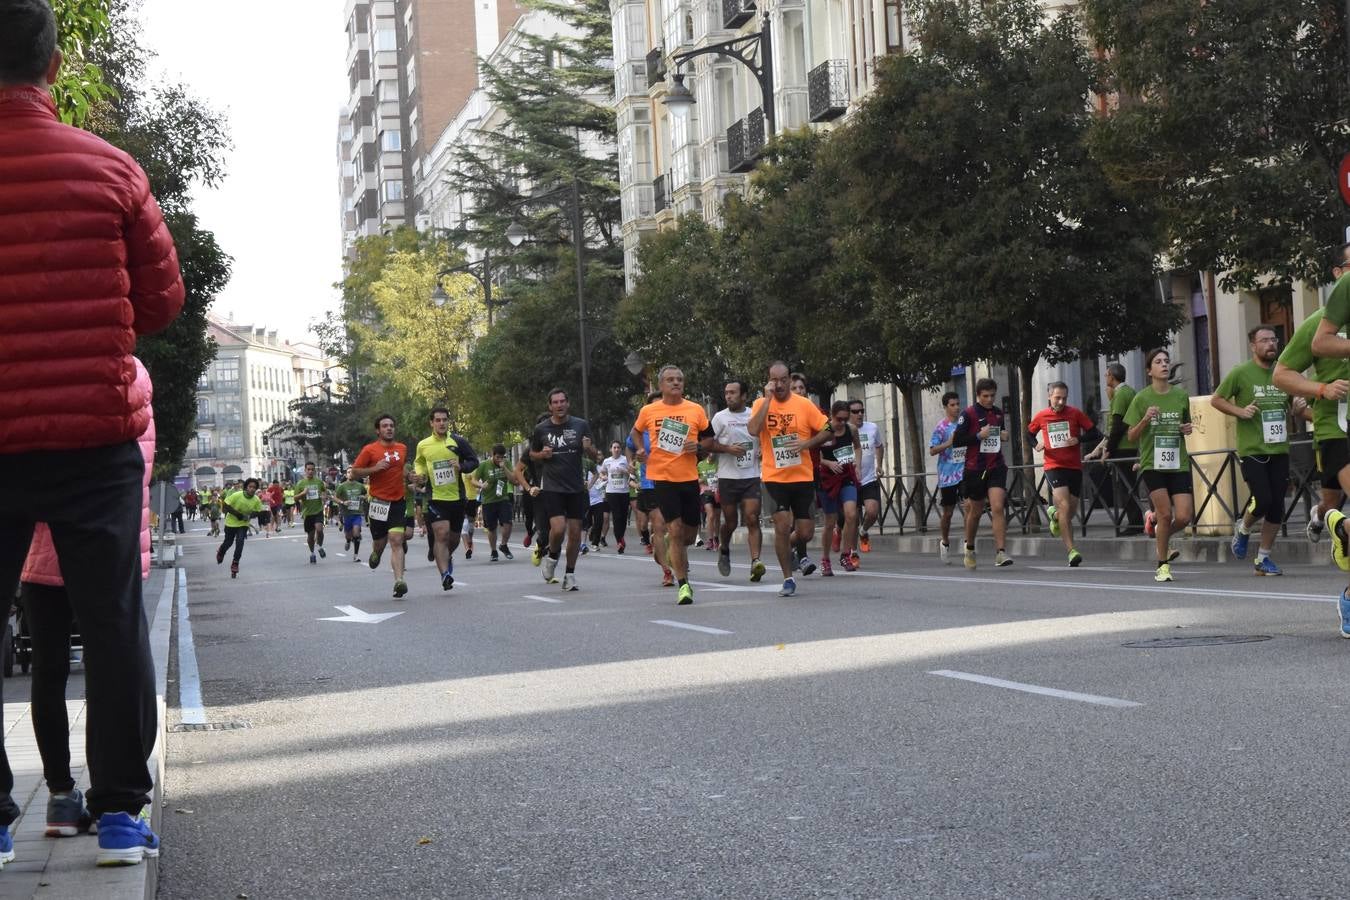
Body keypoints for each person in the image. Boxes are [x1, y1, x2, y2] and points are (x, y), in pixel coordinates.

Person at [0, 0, 185, 866]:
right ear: (55, 66)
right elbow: (162, 302)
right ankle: (117, 814)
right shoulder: (112, 169)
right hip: (94, 436)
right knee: (112, 623)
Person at [18, 356, 154, 840]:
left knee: (48, 671)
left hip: (36, 555)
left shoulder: (22, 374)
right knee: (117, 659)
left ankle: (59, 796)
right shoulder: (127, 375)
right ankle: (118, 807)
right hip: (107, 546)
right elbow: (135, 472)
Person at [1212, 326, 1300, 575]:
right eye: (1264, 341)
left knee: (1276, 507)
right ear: (1253, 346)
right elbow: (1216, 399)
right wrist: (1240, 411)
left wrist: (1299, 408)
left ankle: (1263, 558)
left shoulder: (1284, 374)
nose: (1271, 344)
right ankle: (1243, 528)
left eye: (1274, 339)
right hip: (1253, 449)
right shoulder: (1241, 373)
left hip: (1279, 448)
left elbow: (1296, 407)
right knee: (1263, 498)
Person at [1272, 273, 1350, 549]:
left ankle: (1326, 518)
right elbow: (1281, 375)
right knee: (1335, 500)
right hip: (1336, 424)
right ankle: (1336, 523)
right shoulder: (1318, 324)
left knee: (1330, 500)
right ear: (1339, 276)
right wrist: (1321, 389)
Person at [748, 361, 835, 597]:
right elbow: (754, 430)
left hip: (802, 476)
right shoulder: (759, 404)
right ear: (768, 381)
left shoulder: (804, 405)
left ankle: (785, 547)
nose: (778, 384)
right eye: (773, 380)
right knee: (783, 526)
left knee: (805, 532)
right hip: (774, 477)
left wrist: (806, 443)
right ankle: (788, 578)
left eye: (783, 379)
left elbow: (828, 429)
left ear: (789, 379)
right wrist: (766, 401)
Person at [630, 366, 714, 604]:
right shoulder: (649, 410)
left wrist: (698, 447)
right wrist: (639, 449)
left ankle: (670, 544)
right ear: (661, 385)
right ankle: (683, 584)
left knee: (688, 536)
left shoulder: (695, 409)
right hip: (663, 478)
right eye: (670, 380)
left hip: (688, 477)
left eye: (679, 379)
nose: (676, 383)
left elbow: (709, 438)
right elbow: (636, 433)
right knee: (675, 530)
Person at [1124, 348, 1195, 583]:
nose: (1164, 365)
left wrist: (1186, 429)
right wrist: (1145, 419)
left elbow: (1186, 424)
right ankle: (1162, 565)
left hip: (1178, 462)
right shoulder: (1141, 398)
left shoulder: (1180, 396)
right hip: (1152, 463)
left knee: (1184, 516)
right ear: (1149, 370)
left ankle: (1159, 535)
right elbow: (1131, 436)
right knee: (1164, 514)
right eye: (1158, 362)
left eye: (1166, 361)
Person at [529, 389, 599, 591]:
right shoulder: (541, 429)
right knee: (558, 529)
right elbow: (532, 454)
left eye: (562, 401)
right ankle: (552, 557)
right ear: (549, 406)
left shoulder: (580, 425)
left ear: (568, 403)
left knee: (576, 533)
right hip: (553, 486)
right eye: (555, 402)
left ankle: (570, 573)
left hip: (576, 486)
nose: (559, 405)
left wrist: (588, 449)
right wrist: (542, 454)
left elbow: (597, 456)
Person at [1028, 382, 1099, 567]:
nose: (1060, 401)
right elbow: (1028, 433)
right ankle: (1071, 551)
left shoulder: (1075, 413)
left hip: (1074, 467)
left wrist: (1078, 439)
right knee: (1065, 506)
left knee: (1070, 511)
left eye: (1064, 398)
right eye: (1057, 397)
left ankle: (1054, 516)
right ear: (1049, 396)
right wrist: (1036, 444)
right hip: (1054, 466)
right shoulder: (1042, 416)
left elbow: (1095, 433)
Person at [412, 407, 477, 591]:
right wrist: (420, 474)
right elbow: (419, 462)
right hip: (435, 497)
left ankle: (446, 556)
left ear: (448, 422)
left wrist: (461, 465)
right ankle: (444, 575)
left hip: (457, 497)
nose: (441, 423)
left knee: (454, 539)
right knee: (442, 534)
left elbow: (474, 461)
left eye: (444, 420)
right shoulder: (423, 445)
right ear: (431, 423)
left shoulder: (458, 441)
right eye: (438, 420)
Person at [709, 380, 767, 581]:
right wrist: (727, 449)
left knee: (752, 518)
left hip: (750, 475)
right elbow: (707, 444)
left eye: (733, 393)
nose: (728, 396)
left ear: (744, 396)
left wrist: (762, 450)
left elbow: (765, 437)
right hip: (728, 478)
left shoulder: (754, 414)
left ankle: (755, 562)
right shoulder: (719, 418)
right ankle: (724, 548)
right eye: (726, 393)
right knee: (731, 522)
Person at [953, 378, 1013, 569]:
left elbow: (1001, 432)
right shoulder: (969, 414)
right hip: (975, 468)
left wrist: (1004, 435)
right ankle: (969, 547)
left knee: (997, 506)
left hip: (996, 465)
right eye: (985, 396)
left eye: (992, 396)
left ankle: (1001, 552)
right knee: (976, 512)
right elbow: (957, 441)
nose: (989, 399)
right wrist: (979, 436)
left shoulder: (997, 413)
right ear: (978, 395)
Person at [353, 415, 412, 598]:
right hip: (378, 502)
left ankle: (399, 581)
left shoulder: (402, 448)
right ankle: (376, 553)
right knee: (380, 542)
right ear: (378, 430)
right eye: (385, 426)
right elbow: (354, 472)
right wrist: (374, 469)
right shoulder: (369, 450)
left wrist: (411, 477)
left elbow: (401, 470)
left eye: (392, 426)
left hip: (397, 501)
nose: (389, 429)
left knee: (396, 539)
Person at [1084, 363, 1145, 535]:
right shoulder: (1130, 392)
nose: (1105, 378)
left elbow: (1117, 425)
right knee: (1128, 484)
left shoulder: (1120, 395)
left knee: (1125, 486)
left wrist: (1108, 449)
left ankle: (1135, 523)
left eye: (1106, 375)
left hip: (1123, 445)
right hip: (1131, 444)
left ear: (1112, 376)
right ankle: (1136, 521)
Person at [813, 400, 863, 574]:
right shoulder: (824, 430)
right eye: (838, 419)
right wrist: (828, 463)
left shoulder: (852, 429)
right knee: (830, 521)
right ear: (831, 416)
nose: (842, 423)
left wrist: (857, 465)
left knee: (851, 514)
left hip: (846, 476)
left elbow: (857, 447)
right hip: (827, 479)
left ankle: (846, 554)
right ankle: (825, 559)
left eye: (845, 419)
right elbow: (814, 455)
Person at [929, 392, 965, 564]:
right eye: (952, 404)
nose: (956, 407)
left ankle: (968, 544)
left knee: (970, 507)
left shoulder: (964, 423)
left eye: (958, 403)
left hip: (965, 471)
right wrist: (949, 443)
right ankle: (944, 542)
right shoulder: (941, 427)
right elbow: (932, 450)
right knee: (948, 513)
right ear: (945, 407)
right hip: (947, 474)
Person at [848, 400, 885, 553]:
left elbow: (879, 446)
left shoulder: (872, 428)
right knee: (853, 518)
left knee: (872, 512)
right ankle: (852, 552)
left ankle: (864, 531)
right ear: (848, 414)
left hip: (869, 478)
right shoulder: (844, 430)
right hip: (851, 480)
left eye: (862, 410)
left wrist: (879, 465)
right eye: (855, 411)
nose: (860, 414)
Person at [473, 445, 518, 561]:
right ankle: (493, 551)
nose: (500, 460)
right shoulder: (484, 465)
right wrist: (481, 485)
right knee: (492, 528)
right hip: (488, 501)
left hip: (503, 499)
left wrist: (504, 469)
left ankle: (503, 545)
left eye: (502, 457)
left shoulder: (506, 463)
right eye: (498, 457)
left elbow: (514, 481)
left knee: (508, 523)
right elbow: (473, 480)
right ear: (492, 454)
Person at [217, 479, 267, 577]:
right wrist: (238, 514)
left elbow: (258, 511)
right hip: (231, 522)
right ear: (246, 487)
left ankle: (235, 563)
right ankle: (221, 551)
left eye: (254, 487)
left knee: (240, 541)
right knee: (228, 542)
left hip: (243, 524)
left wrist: (250, 515)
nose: (252, 489)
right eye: (250, 487)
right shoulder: (237, 495)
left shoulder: (256, 499)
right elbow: (226, 505)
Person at [596, 442, 632, 553]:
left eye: (618, 447)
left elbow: (632, 473)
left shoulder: (625, 460)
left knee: (623, 517)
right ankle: (620, 541)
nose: (616, 449)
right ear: (610, 449)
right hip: (611, 492)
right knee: (616, 516)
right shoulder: (607, 461)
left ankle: (621, 537)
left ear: (621, 449)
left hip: (624, 491)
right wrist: (603, 477)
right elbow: (601, 472)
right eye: (614, 447)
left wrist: (624, 471)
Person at [293, 461, 329, 565]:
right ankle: (312, 553)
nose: (310, 471)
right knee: (310, 536)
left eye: (312, 469)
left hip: (318, 510)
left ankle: (320, 546)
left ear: (315, 470)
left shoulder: (318, 482)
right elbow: (295, 498)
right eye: (308, 469)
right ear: (305, 471)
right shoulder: (300, 483)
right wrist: (303, 493)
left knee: (319, 529)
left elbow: (324, 492)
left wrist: (324, 496)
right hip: (307, 512)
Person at [335, 467, 367, 563]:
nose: (350, 474)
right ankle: (348, 541)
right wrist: (343, 502)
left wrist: (363, 497)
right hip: (347, 514)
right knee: (348, 535)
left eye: (352, 472)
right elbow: (335, 497)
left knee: (356, 533)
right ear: (346, 475)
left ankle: (355, 555)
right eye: (348, 472)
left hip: (357, 513)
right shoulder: (342, 486)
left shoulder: (360, 486)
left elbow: (366, 495)